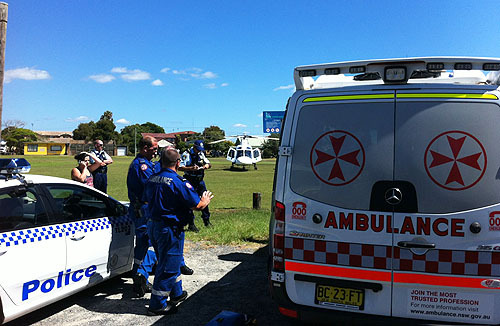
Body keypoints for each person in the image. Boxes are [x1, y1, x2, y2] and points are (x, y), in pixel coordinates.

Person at [145, 148, 212, 315]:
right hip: (169, 229)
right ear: (178, 163)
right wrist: (205, 200)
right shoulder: (178, 181)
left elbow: (145, 198)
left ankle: (177, 293)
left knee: (166, 260)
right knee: (168, 266)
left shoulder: (152, 178)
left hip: (153, 225)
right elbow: (196, 205)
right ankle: (157, 304)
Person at [126, 136, 160, 297]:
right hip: (143, 210)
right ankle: (140, 276)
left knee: (144, 244)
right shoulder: (141, 166)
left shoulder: (148, 164)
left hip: (146, 209)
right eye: (154, 149)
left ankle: (140, 275)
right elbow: (153, 184)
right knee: (145, 243)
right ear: (145, 148)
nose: (156, 152)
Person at [179, 140, 212, 232]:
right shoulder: (186, 154)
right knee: (190, 201)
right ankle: (191, 224)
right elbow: (180, 167)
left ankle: (206, 220)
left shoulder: (201, 154)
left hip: (200, 181)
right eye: (198, 149)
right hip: (190, 180)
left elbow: (209, 164)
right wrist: (191, 168)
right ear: (194, 147)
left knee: (205, 198)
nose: (199, 151)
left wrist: (206, 166)